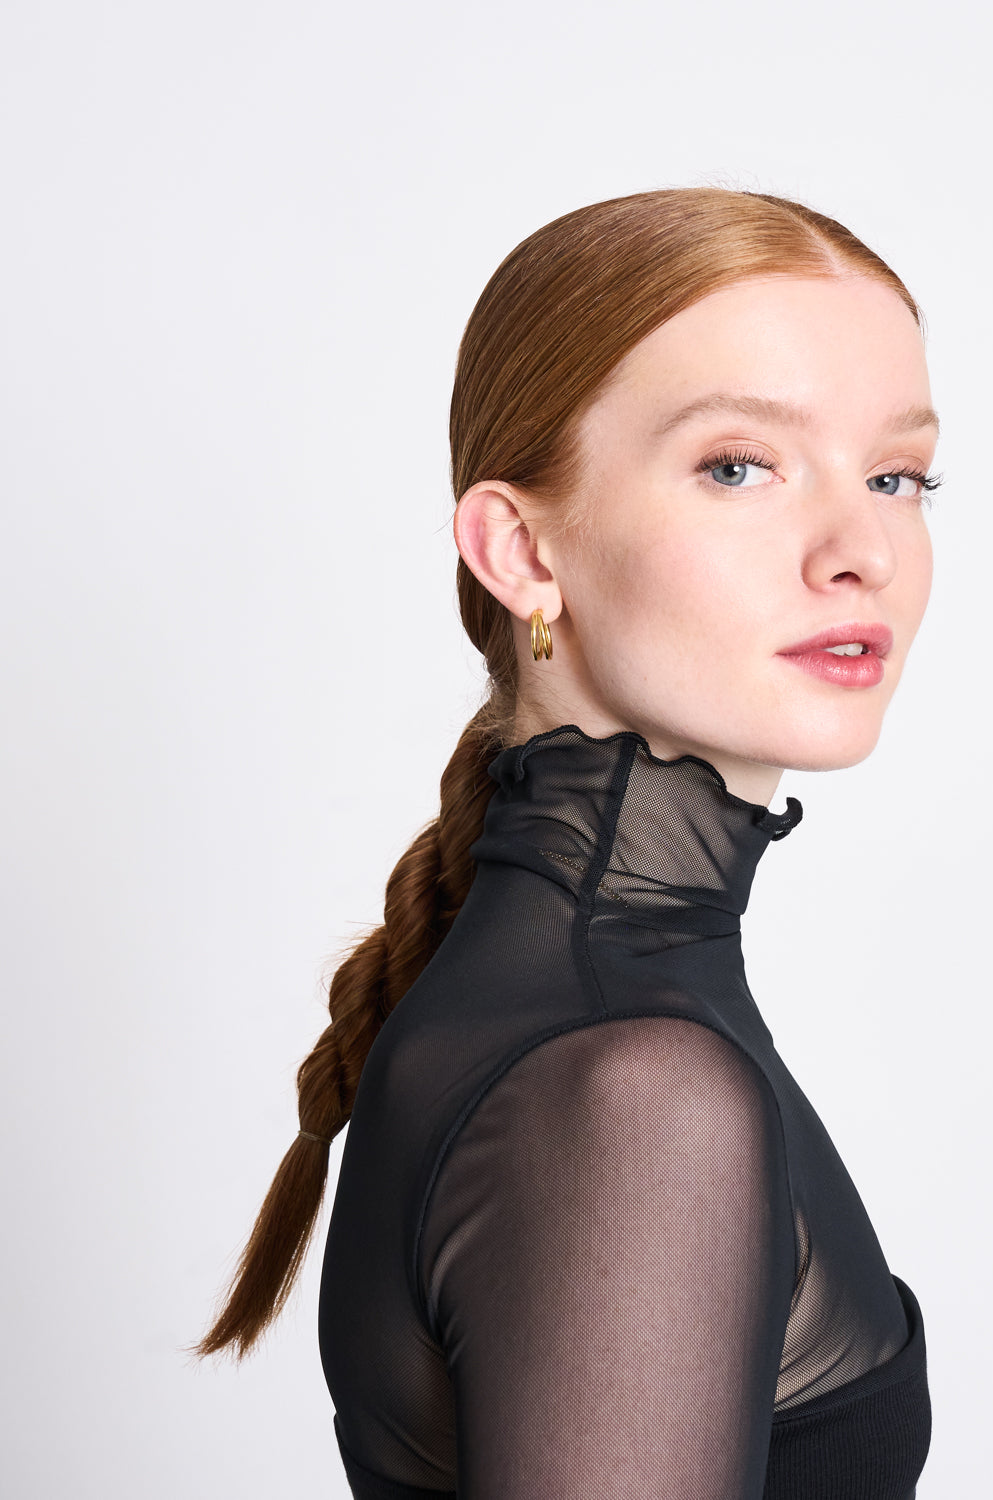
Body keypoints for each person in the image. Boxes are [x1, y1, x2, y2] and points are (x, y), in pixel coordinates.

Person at [194, 186, 940, 1499]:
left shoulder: (586, 1015)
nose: (861, 550)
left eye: (897, 476)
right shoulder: (629, 1092)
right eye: (739, 466)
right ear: (523, 551)